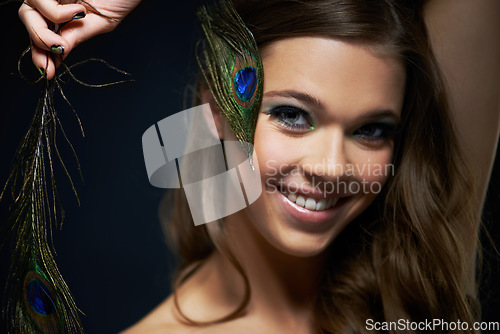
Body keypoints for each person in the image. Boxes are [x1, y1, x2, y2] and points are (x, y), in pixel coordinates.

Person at [17, 0, 500, 333]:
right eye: (292, 115)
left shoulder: (420, 282)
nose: (332, 168)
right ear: (217, 110)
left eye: (371, 130)